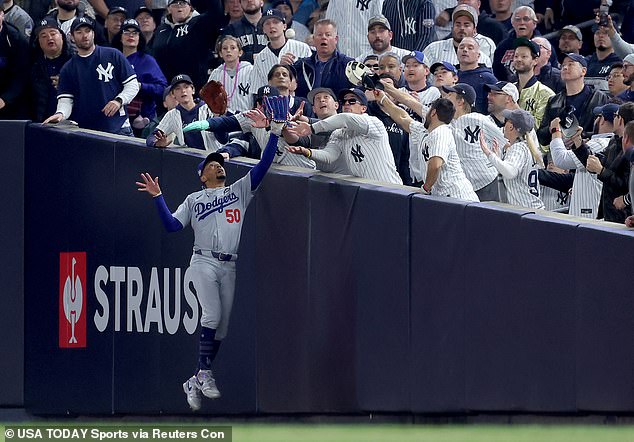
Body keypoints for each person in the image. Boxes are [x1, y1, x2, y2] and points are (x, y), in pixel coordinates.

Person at [136, 94, 287, 411]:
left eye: (220, 162)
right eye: (212, 164)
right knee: (212, 316)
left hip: (229, 264)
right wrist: (158, 198)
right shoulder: (194, 199)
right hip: (203, 259)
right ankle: (204, 372)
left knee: (222, 328)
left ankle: (196, 377)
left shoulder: (239, 191)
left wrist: (274, 132)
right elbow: (173, 228)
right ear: (203, 174)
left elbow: (264, 164)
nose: (218, 164)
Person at [43, 16, 140, 134]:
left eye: (88, 31)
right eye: (79, 32)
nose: (85, 36)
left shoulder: (113, 55)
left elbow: (133, 85)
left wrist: (119, 100)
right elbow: (66, 99)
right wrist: (60, 114)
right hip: (88, 132)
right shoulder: (68, 68)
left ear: (93, 33)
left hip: (120, 127)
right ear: (72, 37)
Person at [286, 88, 403, 185]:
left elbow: (345, 119)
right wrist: (308, 152)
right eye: (344, 101)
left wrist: (312, 128)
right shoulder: (339, 133)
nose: (347, 104)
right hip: (365, 190)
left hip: (390, 187)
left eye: (352, 101)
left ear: (363, 108)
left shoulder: (373, 122)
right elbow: (329, 156)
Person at [377, 92, 479, 200]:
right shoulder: (425, 131)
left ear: (433, 112)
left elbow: (435, 165)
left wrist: (426, 188)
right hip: (446, 197)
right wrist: (383, 99)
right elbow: (402, 118)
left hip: (457, 196)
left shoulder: (441, 132)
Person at [548, 104, 616, 218]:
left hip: (588, 211)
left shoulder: (600, 143)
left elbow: (560, 159)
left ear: (602, 119)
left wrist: (556, 131)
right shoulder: (611, 143)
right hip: (593, 206)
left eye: (597, 117)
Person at [572, 101, 634, 222]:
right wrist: (578, 142)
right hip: (608, 212)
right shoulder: (613, 142)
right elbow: (592, 163)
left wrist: (601, 171)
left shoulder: (630, 151)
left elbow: (627, 184)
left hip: (625, 216)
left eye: (615, 116)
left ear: (620, 119)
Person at [444, 83, 506, 201]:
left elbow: (505, 142)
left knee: (489, 217)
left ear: (460, 101)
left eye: (450, 94)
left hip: (486, 181)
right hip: (464, 185)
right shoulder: (447, 122)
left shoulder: (479, 119)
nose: (446, 97)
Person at [148, 0, 226, 90]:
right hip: (168, 88)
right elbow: (150, 53)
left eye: (183, 3)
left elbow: (216, 11)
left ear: (190, 7)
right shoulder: (161, 30)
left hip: (195, 86)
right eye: (175, 3)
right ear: (168, 9)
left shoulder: (200, 23)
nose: (179, 6)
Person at [537, 53, 610, 146]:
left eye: (570, 64)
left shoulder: (599, 98)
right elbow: (542, 138)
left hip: (589, 150)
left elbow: (607, 131)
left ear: (583, 71)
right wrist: (552, 127)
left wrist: (583, 135)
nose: (565, 67)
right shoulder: (554, 101)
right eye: (563, 65)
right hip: (560, 152)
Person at [480, 108, 545, 209]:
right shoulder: (529, 147)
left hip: (527, 212)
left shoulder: (518, 148)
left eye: (506, 122)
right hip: (533, 210)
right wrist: (498, 159)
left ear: (511, 127)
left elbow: (510, 172)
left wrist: (489, 154)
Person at [112, 18, 167, 134]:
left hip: (143, 122)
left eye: (135, 33)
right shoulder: (112, 59)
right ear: (120, 37)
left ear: (139, 38)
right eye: (126, 32)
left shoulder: (148, 61)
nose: (131, 36)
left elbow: (162, 89)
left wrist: (140, 86)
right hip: (114, 117)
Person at [147, 74, 226, 150]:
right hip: (188, 158)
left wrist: (217, 119)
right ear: (173, 94)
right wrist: (157, 143)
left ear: (193, 90)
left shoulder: (209, 108)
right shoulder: (172, 114)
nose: (183, 91)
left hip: (212, 158)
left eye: (186, 87)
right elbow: (151, 137)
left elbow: (223, 139)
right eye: (178, 88)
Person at [250, 9, 311, 93]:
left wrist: (293, 67)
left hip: (301, 99)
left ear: (285, 26)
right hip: (273, 103)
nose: (271, 26)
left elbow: (311, 78)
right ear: (263, 30)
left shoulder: (302, 48)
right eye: (267, 23)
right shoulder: (260, 58)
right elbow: (256, 90)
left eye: (275, 22)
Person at [292, 19, 354, 99]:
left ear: (336, 39)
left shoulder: (348, 64)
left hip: (338, 110)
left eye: (328, 35)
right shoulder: (301, 66)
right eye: (319, 35)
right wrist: (285, 67)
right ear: (314, 39)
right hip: (306, 109)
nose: (323, 38)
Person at [30, 17, 73, 122]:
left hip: (71, 123)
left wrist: (67, 84)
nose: (49, 38)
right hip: (42, 123)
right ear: (38, 42)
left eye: (53, 34)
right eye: (43, 36)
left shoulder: (74, 62)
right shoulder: (33, 66)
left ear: (62, 36)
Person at [424, 5, 494, 68]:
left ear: (474, 30)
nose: (462, 28)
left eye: (466, 25)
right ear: (452, 28)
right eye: (458, 24)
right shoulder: (433, 49)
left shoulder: (483, 58)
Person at [513, 37, 554, 130]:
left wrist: (514, 107)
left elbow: (538, 127)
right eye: (516, 56)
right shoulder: (508, 89)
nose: (518, 59)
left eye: (524, 56)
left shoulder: (545, 93)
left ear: (535, 60)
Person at [208, 35, 254, 113]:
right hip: (223, 119)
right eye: (225, 48)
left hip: (247, 117)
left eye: (233, 48)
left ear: (240, 52)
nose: (228, 51)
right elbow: (209, 98)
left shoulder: (250, 70)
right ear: (220, 54)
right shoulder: (216, 73)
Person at [456, 36, 498, 114]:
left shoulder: (488, 79)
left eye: (470, 48)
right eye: (461, 47)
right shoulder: (450, 75)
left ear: (478, 55)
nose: (465, 50)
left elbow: (496, 107)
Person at [0, 9, 28, 119]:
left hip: (10, 101)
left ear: (2, 14)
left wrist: (5, 98)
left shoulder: (15, 38)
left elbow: (22, 75)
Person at [585, 25, 622, 93]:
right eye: (597, 33)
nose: (601, 36)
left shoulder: (621, 62)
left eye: (606, 33)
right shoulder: (585, 62)